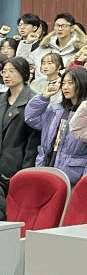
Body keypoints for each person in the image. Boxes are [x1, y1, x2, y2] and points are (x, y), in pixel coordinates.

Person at [26, 68, 87, 183]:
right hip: (47, 167)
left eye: (70, 83)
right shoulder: (56, 109)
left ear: (82, 84)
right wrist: (43, 97)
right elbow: (32, 118)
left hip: (72, 176)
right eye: (63, 83)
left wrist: (84, 182)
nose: (65, 87)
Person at [0, 57, 39, 218]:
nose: (6, 75)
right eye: (4, 72)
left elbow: (33, 142)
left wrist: (25, 170)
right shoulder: (1, 99)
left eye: (12, 71)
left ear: (23, 73)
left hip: (16, 166)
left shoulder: (33, 101)